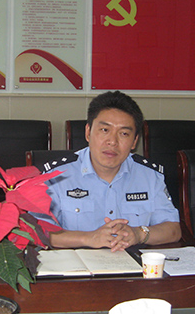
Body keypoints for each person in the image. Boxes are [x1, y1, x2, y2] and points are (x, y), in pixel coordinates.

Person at [41, 91, 181, 252]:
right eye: (104, 130)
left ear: (134, 141)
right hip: (77, 264)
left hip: (133, 264)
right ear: (88, 132)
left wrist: (139, 234)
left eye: (124, 134)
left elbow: (173, 230)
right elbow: (36, 231)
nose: (112, 142)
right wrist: (89, 238)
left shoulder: (150, 176)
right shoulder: (56, 176)